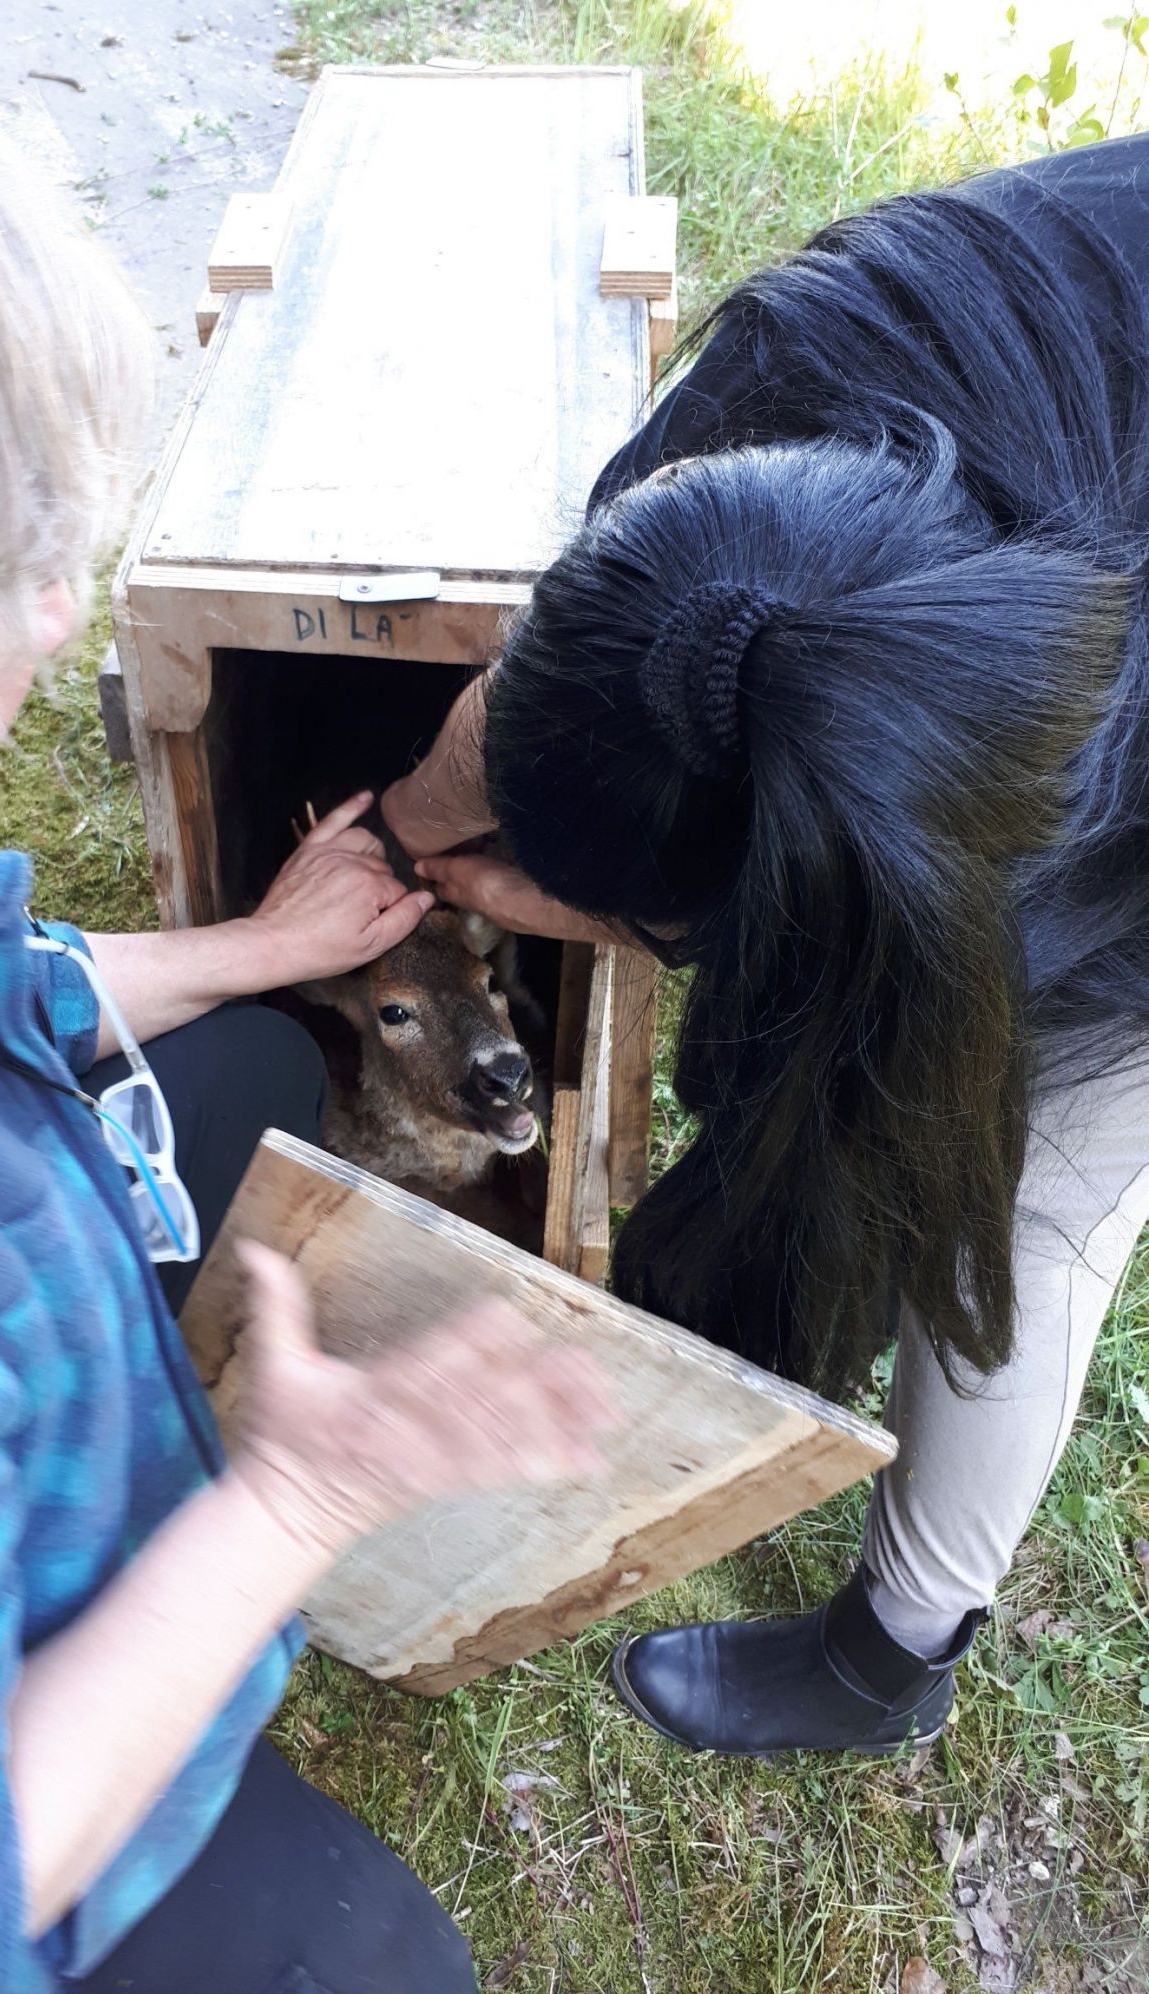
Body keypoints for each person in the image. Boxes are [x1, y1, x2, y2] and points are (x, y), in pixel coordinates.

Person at [0, 90, 620, 1994]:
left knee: (252, 1070)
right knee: (382, 1967)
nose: (50, 629)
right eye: (33, 574)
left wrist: (260, 947)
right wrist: (292, 1505)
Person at [382, 131, 1149, 1759]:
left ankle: (894, 1652)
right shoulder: (769, 418)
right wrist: (421, 804)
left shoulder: (1075, 828)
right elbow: (565, 685)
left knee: (1035, 1183)